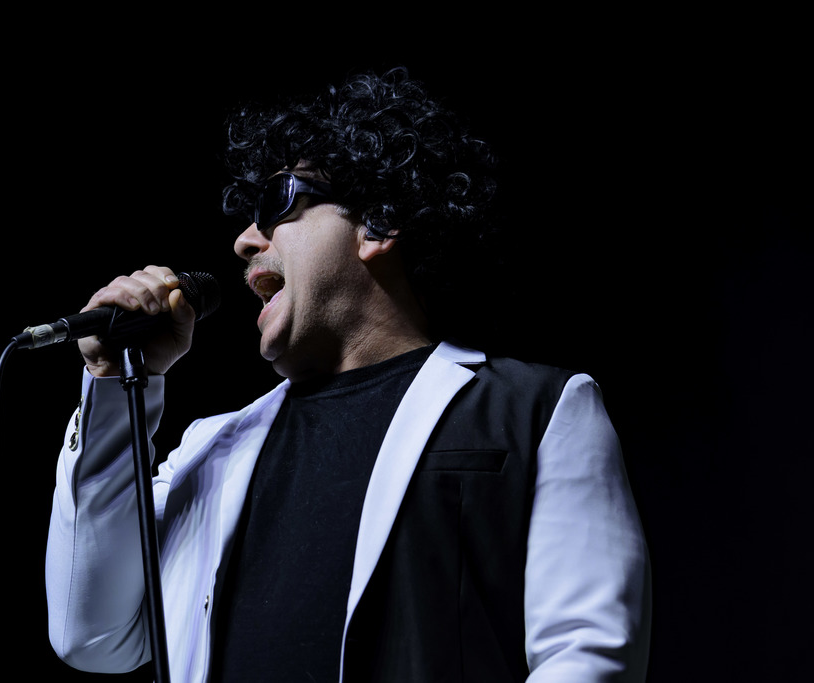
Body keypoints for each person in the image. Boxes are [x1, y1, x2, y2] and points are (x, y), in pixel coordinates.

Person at [45, 67, 651, 682]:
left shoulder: (536, 410)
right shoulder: (207, 450)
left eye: (277, 203)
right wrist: (112, 383)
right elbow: (92, 634)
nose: (245, 242)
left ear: (377, 224)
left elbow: (585, 654)